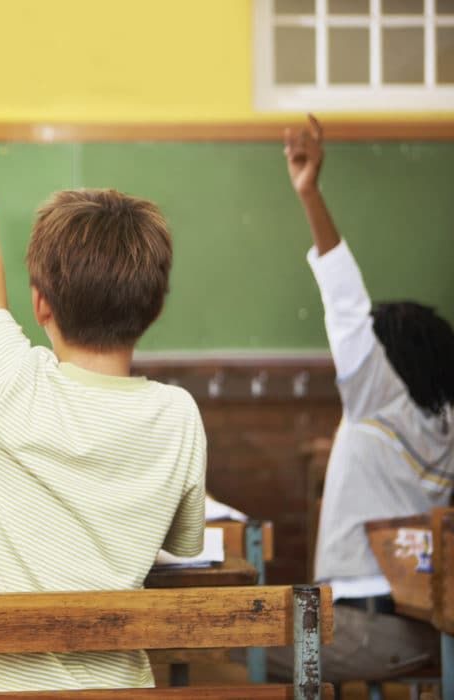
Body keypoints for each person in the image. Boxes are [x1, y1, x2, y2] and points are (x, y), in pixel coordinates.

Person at [0, 18, 207, 691]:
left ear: (40, 305)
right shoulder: (177, 416)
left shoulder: (5, 380)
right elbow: (183, 546)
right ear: (154, 310)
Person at [269, 114, 454, 683]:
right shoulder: (446, 423)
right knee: (287, 611)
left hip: (357, 625)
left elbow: (344, 302)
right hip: (434, 628)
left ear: (384, 360)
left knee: (237, 630)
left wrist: (309, 192)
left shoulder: (374, 393)